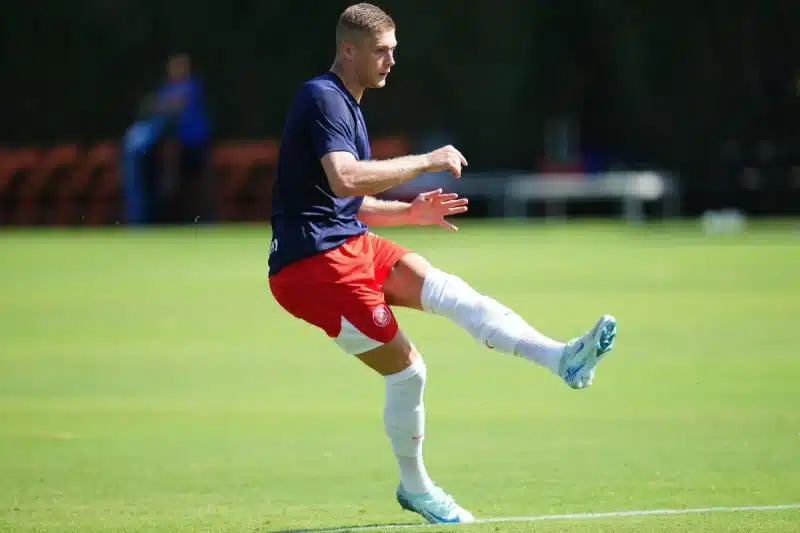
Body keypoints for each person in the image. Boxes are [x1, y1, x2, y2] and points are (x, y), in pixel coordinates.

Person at [267, 3, 617, 525]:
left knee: (451, 291)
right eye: (380, 51)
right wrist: (428, 160)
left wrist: (409, 212)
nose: (390, 61)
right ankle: (416, 488)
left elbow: (344, 201)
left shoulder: (347, 105)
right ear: (348, 50)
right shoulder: (323, 98)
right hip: (312, 266)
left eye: (393, 50)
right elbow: (345, 178)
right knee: (409, 372)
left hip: (347, 242)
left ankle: (561, 357)